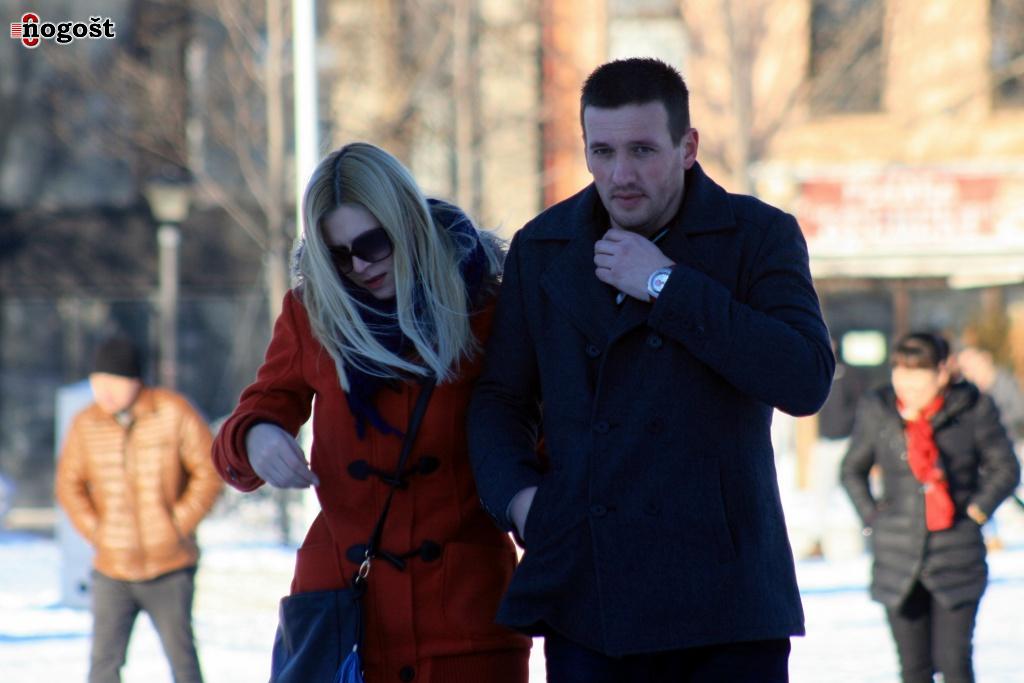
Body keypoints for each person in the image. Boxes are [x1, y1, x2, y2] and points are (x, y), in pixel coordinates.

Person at [468, 57, 835, 682]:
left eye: (642, 150)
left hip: (726, 604)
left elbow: (805, 378)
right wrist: (522, 502)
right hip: (591, 596)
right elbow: (500, 398)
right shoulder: (545, 245)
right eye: (602, 151)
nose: (621, 174)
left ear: (687, 147)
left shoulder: (757, 235)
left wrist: (666, 284)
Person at [211, 142, 530, 683]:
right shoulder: (312, 314)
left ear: (406, 222)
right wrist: (258, 436)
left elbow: (532, 432)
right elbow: (257, 412)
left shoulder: (485, 309)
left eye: (372, 244)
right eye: (338, 255)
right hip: (345, 622)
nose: (359, 267)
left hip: (466, 624)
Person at [840, 332, 1020, 683]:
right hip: (897, 554)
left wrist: (977, 511)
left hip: (957, 553)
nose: (908, 384)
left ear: (941, 373)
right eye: (900, 372)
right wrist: (873, 517)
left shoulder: (972, 407)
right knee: (914, 668)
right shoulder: (879, 409)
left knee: (955, 663)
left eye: (918, 374)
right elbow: (852, 470)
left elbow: (1005, 468)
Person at [55, 335, 223, 683]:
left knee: (183, 663)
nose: (105, 390)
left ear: (135, 380)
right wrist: (98, 531)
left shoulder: (174, 412)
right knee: (103, 665)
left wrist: (177, 524)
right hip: (111, 568)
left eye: (114, 380)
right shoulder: (86, 423)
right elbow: (68, 485)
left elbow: (210, 471)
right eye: (98, 381)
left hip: (169, 566)